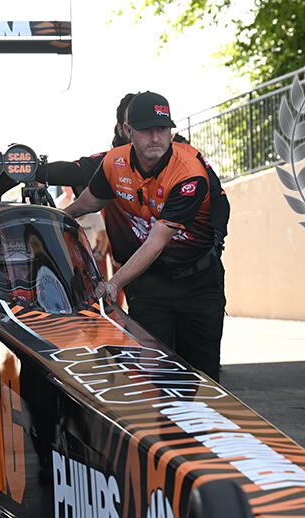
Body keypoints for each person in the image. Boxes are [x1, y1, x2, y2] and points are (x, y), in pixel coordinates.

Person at [64, 91, 227, 381]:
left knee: (202, 380)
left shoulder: (189, 173)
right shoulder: (114, 163)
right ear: (128, 131)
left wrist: (113, 283)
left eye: (162, 129)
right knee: (154, 377)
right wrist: (53, 217)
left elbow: (156, 241)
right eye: (146, 129)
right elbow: (90, 201)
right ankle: (160, 427)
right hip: (149, 287)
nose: (155, 137)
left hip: (199, 285)